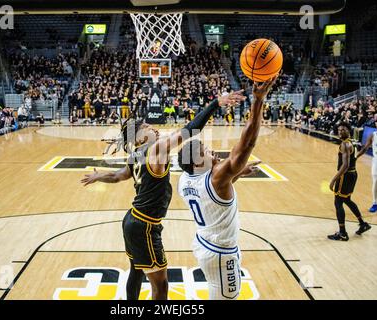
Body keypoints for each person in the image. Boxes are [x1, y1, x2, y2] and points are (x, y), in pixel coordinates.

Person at [81, 90, 245, 300]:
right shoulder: (155, 149)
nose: (153, 128)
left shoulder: (135, 156)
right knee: (161, 286)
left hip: (132, 220)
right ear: (139, 136)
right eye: (147, 127)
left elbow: (117, 176)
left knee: (137, 270)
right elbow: (190, 130)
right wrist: (215, 103)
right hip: (145, 225)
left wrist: (99, 176)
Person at [176, 78, 277, 300]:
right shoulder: (216, 178)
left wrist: (236, 174)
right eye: (205, 150)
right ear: (197, 161)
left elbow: (214, 194)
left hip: (204, 244)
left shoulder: (184, 180)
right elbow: (248, 142)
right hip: (221, 253)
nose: (211, 151)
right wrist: (258, 100)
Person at [328, 122, 371, 241]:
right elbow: (359, 153)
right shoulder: (352, 142)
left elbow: (345, 165)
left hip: (345, 176)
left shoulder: (345, 145)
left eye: (343, 130)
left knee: (338, 202)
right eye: (339, 130)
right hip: (353, 174)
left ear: (348, 130)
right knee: (347, 199)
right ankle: (363, 224)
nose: (340, 131)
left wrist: (333, 180)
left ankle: (342, 233)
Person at [356, 118, 377, 213]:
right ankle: (375, 203)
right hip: (376, 161)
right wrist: (356, 157)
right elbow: (365, 148)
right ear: (376, 125)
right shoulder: (373, 135)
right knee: (375, 182)